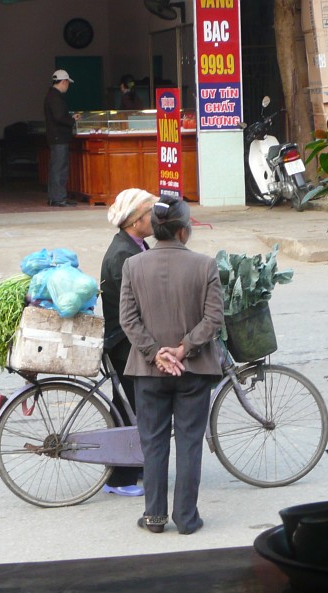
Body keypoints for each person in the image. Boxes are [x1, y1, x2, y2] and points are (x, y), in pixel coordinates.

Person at [119, 196, 223, 535]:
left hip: (148, 371)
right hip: (194, 371)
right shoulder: (205, 265)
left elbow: (128, 320)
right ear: (182, 232)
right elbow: (213, 319)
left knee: (154, 443)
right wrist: (183, 349)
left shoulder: (133, 266)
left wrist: (156, 353)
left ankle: (154, 517)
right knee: (190, 443)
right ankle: (187, 518)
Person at [99, 188, 157, 497]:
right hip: (124, 343)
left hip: (128, 339)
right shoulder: (123, 253)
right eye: (150, 213)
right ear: (135, 220)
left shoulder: (136, 245)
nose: (154, 218)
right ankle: (119, 478)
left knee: (136, 406)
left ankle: (138, 467)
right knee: (130, 408)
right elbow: (135, 308)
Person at [44, 69, 76, 207]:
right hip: (59, 137)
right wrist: (71, 120)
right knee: (59, 168)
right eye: (67, 83)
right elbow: (59, 117)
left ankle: (54, 197)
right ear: (63, 82)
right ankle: (59, 198)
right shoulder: (55, 97)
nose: (67, 86)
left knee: (55, 168)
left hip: (55, 137)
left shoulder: (51, 95)